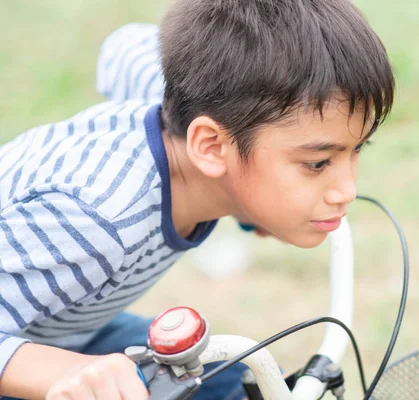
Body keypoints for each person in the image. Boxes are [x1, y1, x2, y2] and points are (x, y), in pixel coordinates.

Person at [0, 0, 395, 398]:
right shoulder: (97, 221)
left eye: (357, 148)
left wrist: (245, 204)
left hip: (68, 329)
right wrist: (68, 373)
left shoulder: (189, 94)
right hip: (25, 352)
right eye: (317, 163)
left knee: (232, 378)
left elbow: (123, 50)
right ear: (209, 147)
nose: (347, 189)